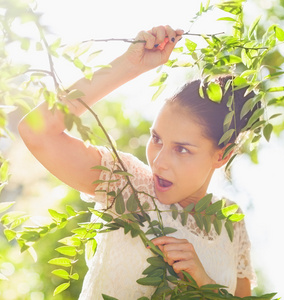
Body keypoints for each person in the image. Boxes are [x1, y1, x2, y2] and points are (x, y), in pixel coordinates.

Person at [18, 25, 256, 299]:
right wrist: (130, 65)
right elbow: (37, 131)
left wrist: (202, 283)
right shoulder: (125, 182)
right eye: (156, 138)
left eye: (181, 149)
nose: (158, 160)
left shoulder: (230, 222)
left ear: (222, 155)